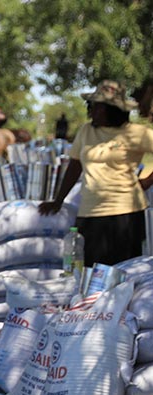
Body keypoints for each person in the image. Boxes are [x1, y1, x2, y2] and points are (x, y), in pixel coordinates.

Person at [38, 80, 153, 266]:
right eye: (92, 106)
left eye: (100, 107)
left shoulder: (136, 132)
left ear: (115, 110)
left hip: (126, 214)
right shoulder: (86, 131)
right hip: (90, 213)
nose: (93, 111)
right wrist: (58, 200)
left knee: (123, 272)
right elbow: (74, 167)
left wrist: (147, 181)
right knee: (90, 271)